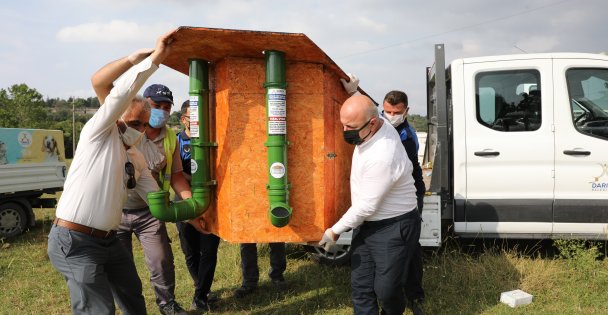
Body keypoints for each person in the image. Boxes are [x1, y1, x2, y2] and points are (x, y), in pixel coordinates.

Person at [47, 29, 175, 314]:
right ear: (118, 118)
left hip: (107, 240)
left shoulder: (136, 158)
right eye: (134, 122)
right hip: (75, 240)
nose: (140, 130)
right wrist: (153, 60)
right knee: (99, 309)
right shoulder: (98, 133)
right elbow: (121, 92)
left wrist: (192, 214)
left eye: (144, 125)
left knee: (131, 293)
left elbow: (157, 202)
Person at [319, 94, 422, 314]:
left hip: (393, 227)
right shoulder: (373, 126)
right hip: (367, 224)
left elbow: (366, 206)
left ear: (372, 123)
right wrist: (351, 90)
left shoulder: (383, 154)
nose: (346, 131)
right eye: (343, 125)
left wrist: (334, 231)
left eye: (351, 127)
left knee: (386, 290)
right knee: (361, 286)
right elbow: (361, 107)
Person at [114, 83, 199, 315]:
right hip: (116, 211)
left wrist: (192, 206)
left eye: (166, 106)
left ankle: (167, 303)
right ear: (143, 106)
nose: (160, 111)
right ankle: (128, 308)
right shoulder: (124, 131)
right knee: (121, 266)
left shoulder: (170, 137)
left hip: (151, 210)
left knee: (161, 260)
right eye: (155, 105)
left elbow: (178, 176)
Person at [175, 100, 221, 312]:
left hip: (210, 204)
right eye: (191, 116)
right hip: (183, 203)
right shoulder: (176, 142)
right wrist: (191, 178)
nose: (195, 120)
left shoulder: (212, 139)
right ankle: (200, 285)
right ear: (183, 119)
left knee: (209, 250)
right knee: (190, 251)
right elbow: (172, 174)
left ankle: (200, 296)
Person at [383, 90, 426, 315]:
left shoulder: (408, 135)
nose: (391, 115)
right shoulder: (378, 125)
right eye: (387, 111)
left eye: (396, 112)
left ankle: (415, 294)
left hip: (410, 191)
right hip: (386, 193)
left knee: (410, 245)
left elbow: (405, 170)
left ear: (406, 111)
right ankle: (388, 291)